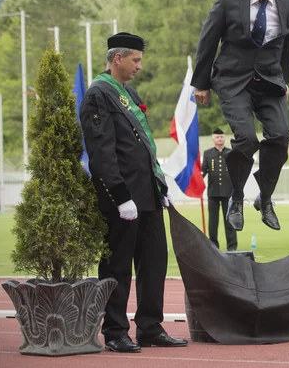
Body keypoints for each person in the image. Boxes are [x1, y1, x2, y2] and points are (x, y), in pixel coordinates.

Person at [80, 32, 188, 353]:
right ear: (118, 58)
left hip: (147, 194)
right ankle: (114, 331)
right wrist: (119, 194)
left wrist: (161, 186)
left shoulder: (128, 92)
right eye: (136, 60)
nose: (140, 66)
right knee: (117, 266)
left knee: (154, 261)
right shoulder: (99, 94)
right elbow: (102, 152)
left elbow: (144, 146)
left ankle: (150, 327)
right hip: (122, 198)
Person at [191, 0, 289, 232]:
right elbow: (208, 41)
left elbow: (288, 47)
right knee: (247, 139)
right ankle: (236, 199)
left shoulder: (288, 5)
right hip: (233, 80)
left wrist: (284, 81)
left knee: (280, 137)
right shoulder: (228, 0)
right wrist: (201, 83)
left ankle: (265, 197)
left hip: (270, 82)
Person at [201, 128, 237, 251]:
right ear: (213, 139)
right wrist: (197, 179)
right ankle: (213, 246)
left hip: (228, 192)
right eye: (217, 137)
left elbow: (236, 172)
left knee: (229, 221)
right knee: (213, 222)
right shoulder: (208, 153)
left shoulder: (230, 152)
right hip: (213, 192)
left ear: (224, 138)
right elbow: (203, 171)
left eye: (221, 137)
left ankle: (232, 246)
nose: (219, 139)